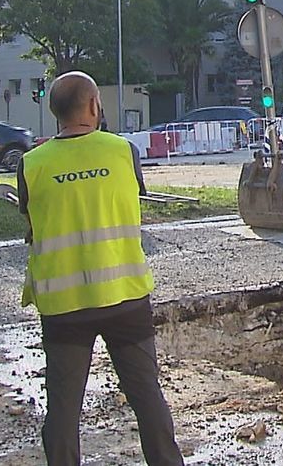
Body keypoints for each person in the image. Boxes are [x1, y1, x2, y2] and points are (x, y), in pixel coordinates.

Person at [18, 71, 183, 466]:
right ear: (94, 106)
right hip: (124, 296)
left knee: (63, 409)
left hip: (63, 306)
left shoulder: (31, 164)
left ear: (53, 111)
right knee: (147, 398)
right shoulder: (123, 151)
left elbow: (31, 225)